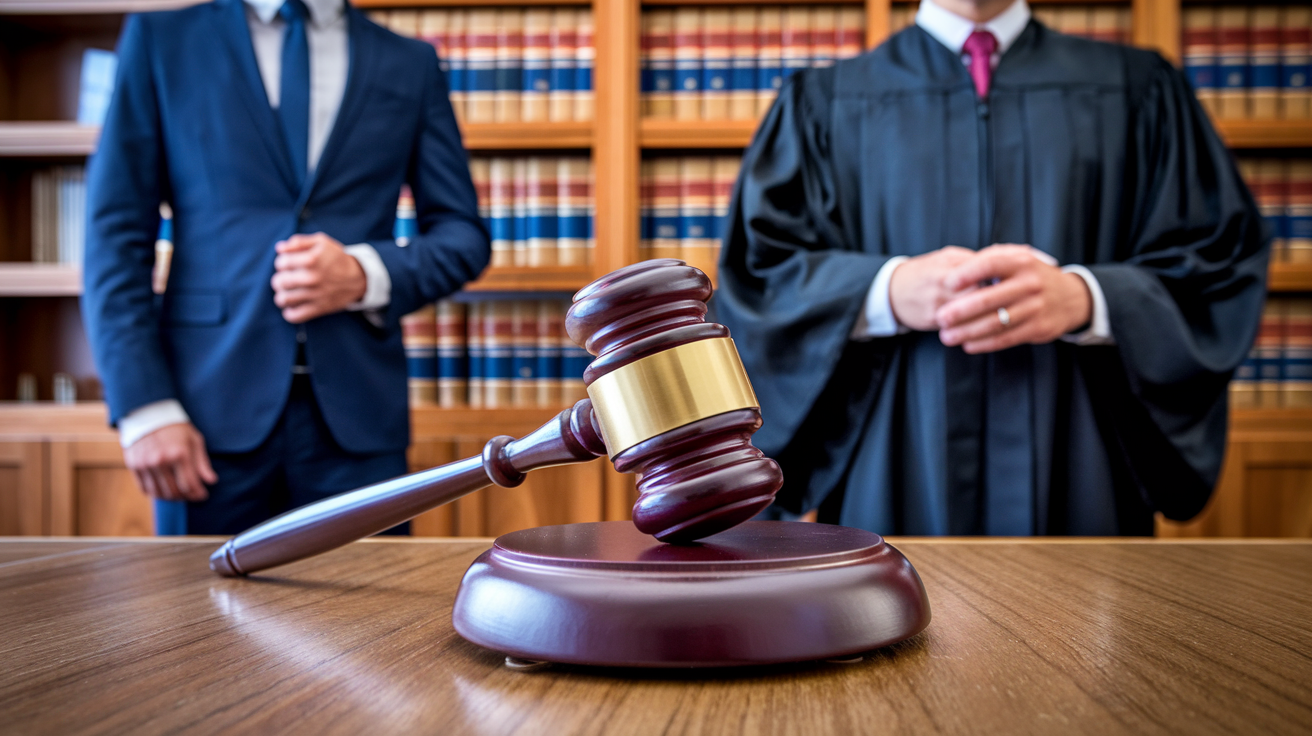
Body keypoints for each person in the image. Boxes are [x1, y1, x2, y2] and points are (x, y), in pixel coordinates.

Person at [715, 0, 1270, 535]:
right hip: (892, 462)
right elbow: (760, 276)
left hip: (1083, 461)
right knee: (891, 625)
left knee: (1085, 632)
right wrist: (882, 291)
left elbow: (1216, 261)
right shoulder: (823, 101)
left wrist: (1092, 298)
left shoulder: (1138, 88)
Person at [82, 0, 489, 534]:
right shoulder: (162, 42)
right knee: (194, 617)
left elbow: (464, 236)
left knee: (373, 617)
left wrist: (366, 274)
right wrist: (144, 408)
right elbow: (114, 235)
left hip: (360, 422)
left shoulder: (408, 61)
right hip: (202, 419)